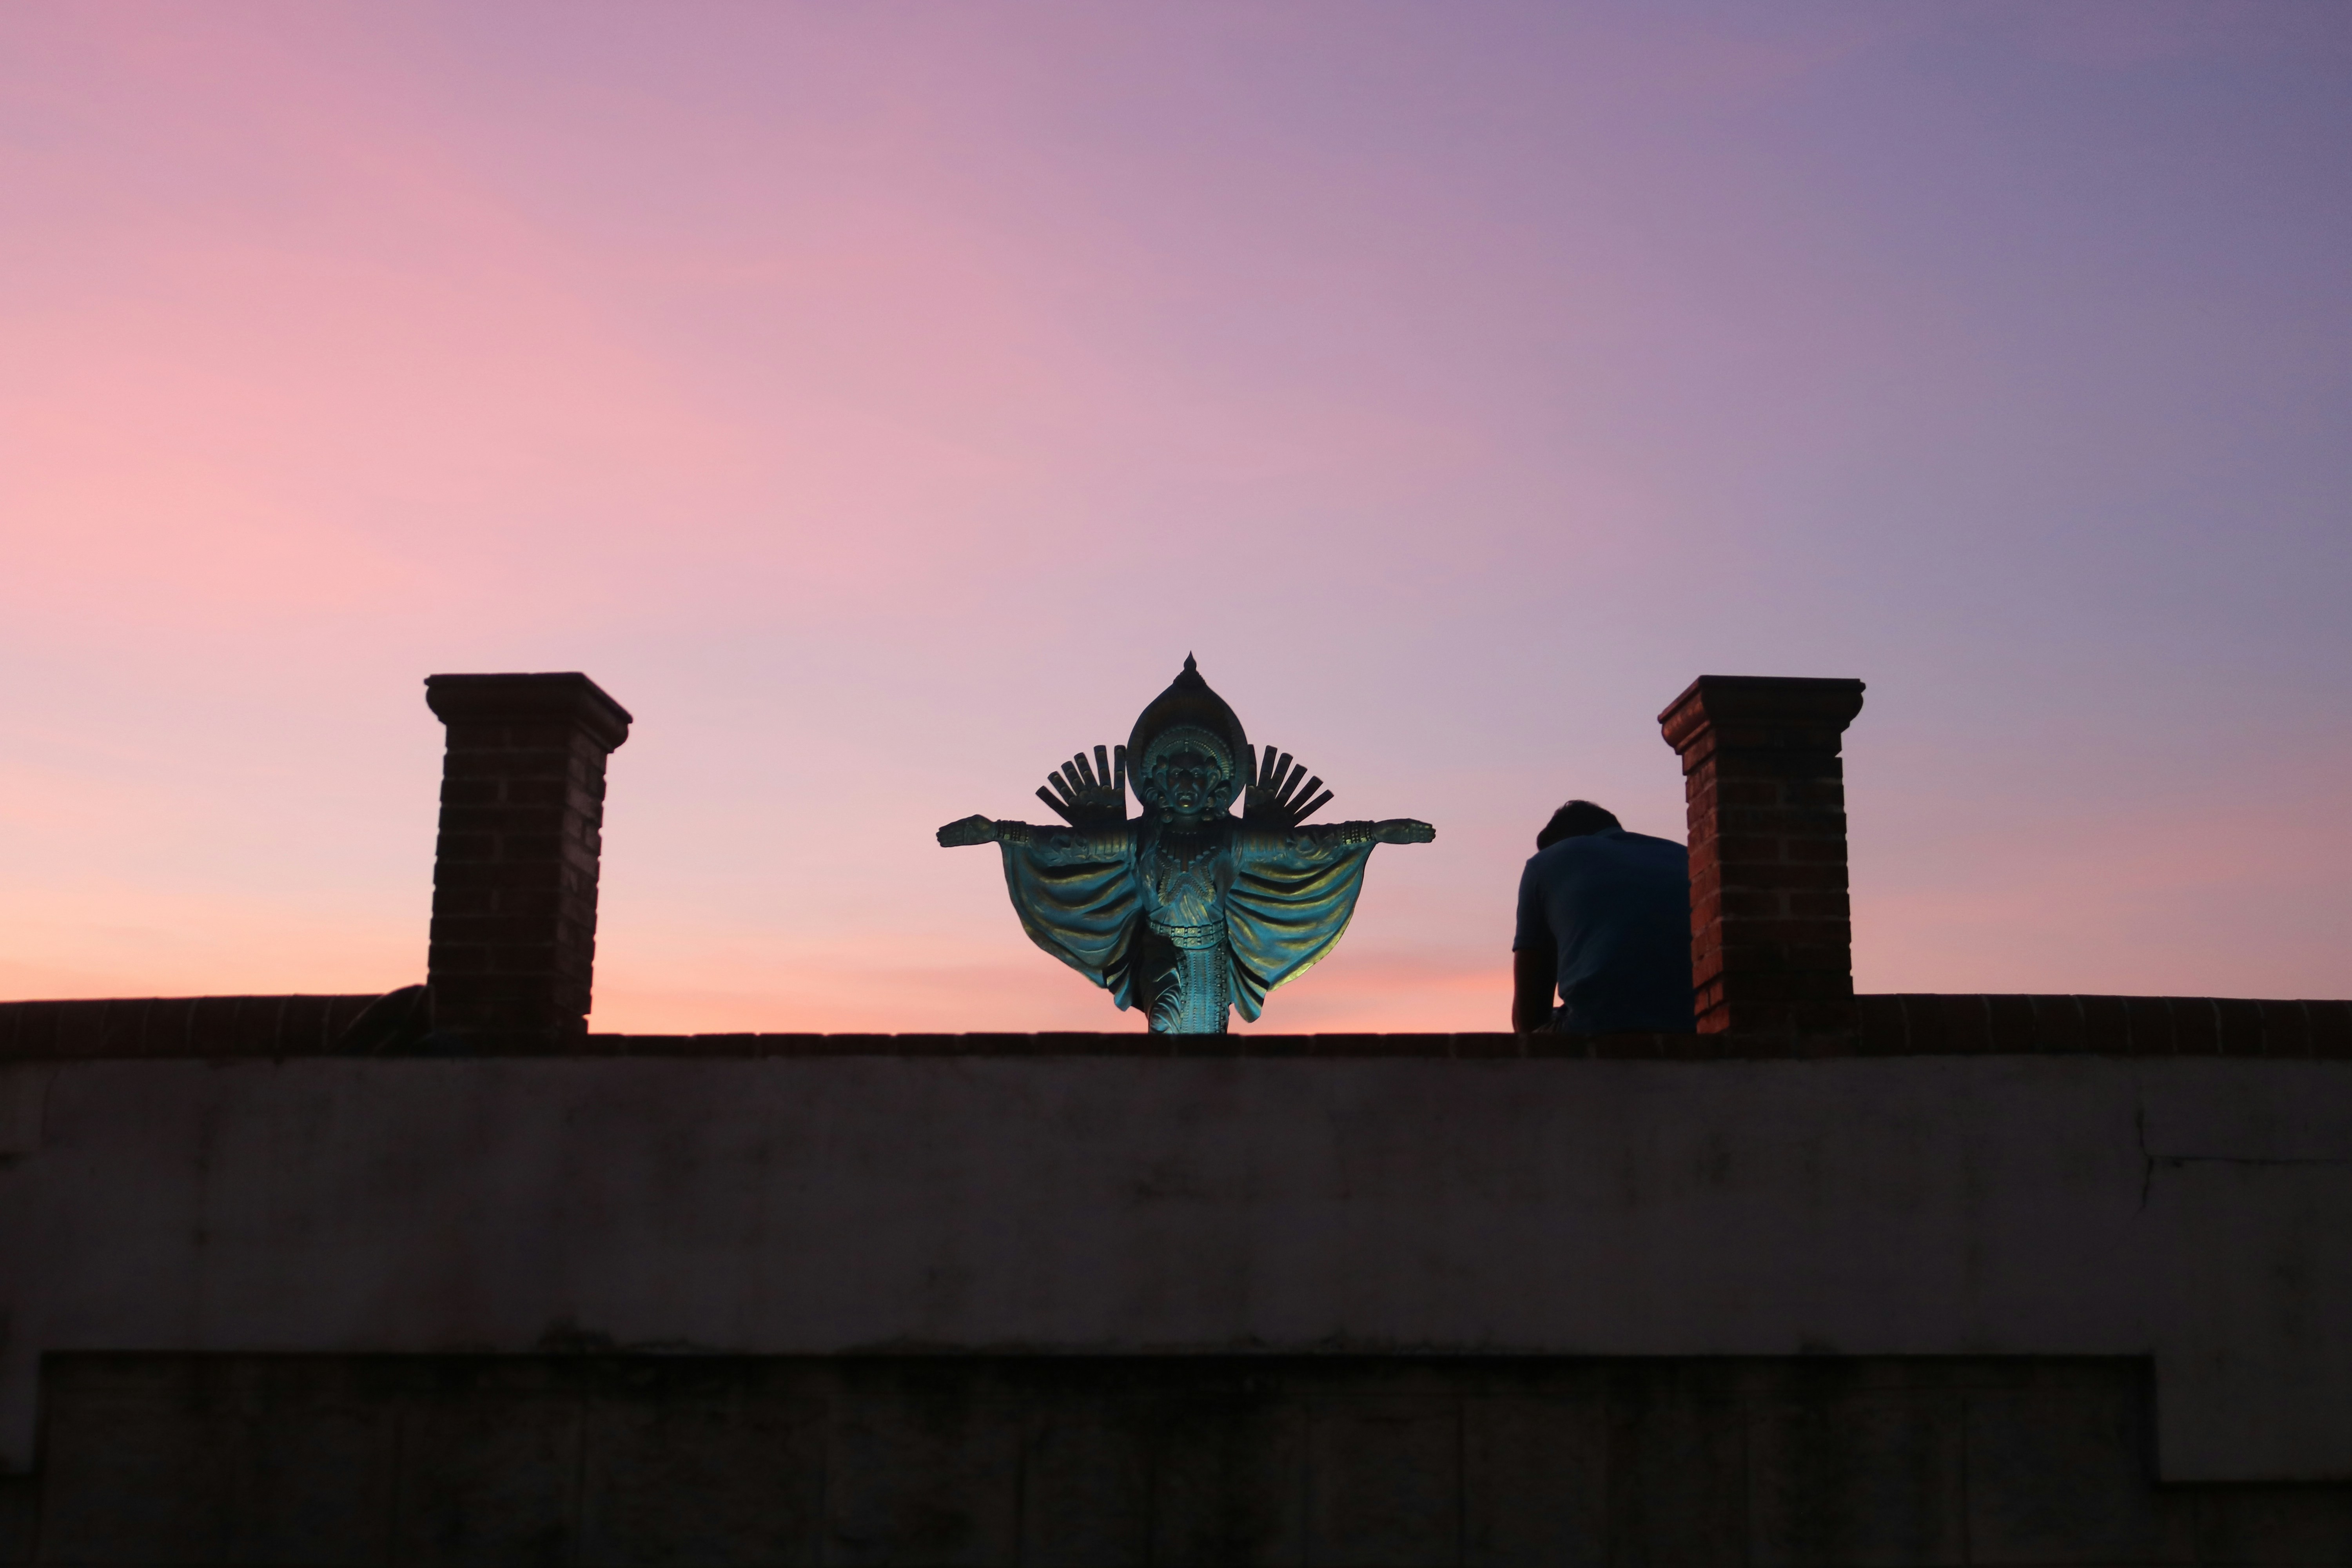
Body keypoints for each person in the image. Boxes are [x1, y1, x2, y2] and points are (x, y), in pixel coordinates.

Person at [1511, 799, 1694, 1034]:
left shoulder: (1544, 863)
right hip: (1700, 1021)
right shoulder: (1686, 856)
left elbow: (1529, 1019)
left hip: (1599, 1026)